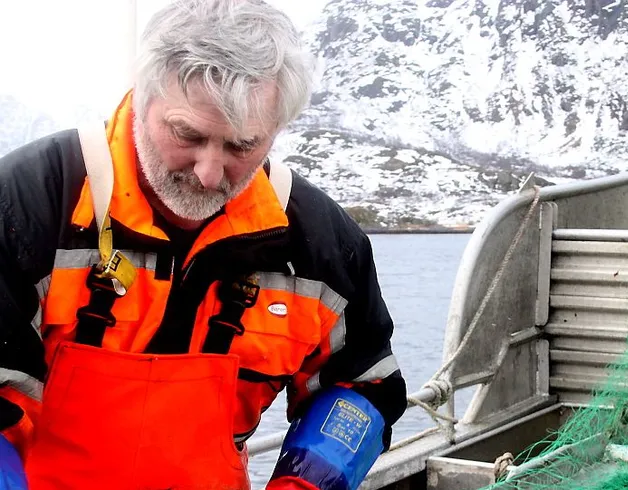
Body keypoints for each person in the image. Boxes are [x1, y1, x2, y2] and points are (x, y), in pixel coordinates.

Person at [0, 1, 407, 489]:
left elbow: (362, 386)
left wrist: (304, 483)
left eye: (242, 146)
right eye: (187, 134)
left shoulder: (322, 246)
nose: (209, 173)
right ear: (141, 100)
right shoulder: (26, 207)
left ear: (276, 130)